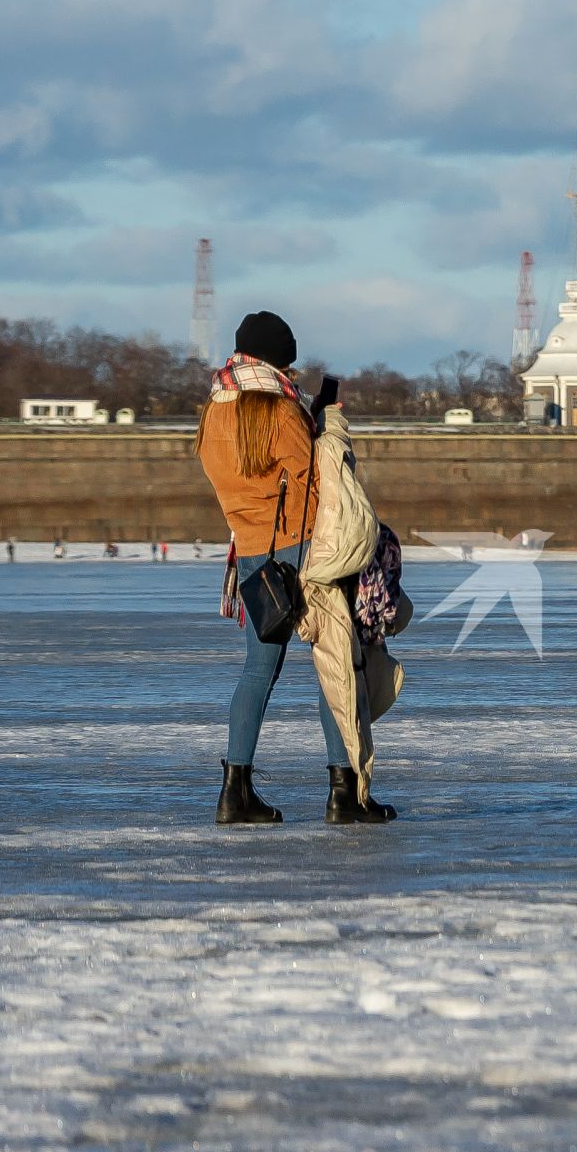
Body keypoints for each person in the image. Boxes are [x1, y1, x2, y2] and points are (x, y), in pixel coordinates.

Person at [196, 310, 393, 827]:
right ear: (276, 358)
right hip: (301, 552)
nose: (292, 372)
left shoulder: (213, 411)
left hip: (251, 556)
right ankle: (344, 794)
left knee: (257, 671)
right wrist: (325, 421)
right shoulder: (279, 412)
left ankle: (234, 793)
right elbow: (319, 480)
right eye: (288, 362)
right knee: (335, 663)